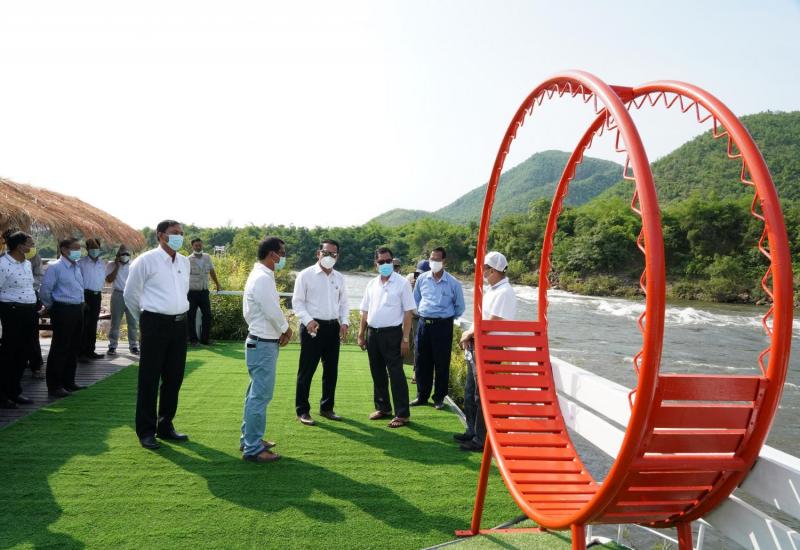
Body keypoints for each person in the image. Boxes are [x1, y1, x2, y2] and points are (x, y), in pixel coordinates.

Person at [124, 220, 191, 450]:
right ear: (161, 235)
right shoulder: (145, 260)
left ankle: (165, 425)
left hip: (180, 324)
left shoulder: (184, 261)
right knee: (149, 379)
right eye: (174, 233)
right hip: (154, 323)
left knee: (174, 378)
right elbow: (130, 294)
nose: (179, 236)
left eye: (181, 233)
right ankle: (146, 431)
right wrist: (145, 320)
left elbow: (182, 292)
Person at [457, 251, 518, 452]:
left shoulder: (504, 292)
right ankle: (472, 431)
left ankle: (480, 439)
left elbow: (493, 322)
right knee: (470, 391)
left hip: (490, 347)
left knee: (480, 394)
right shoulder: (494, 289)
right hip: (480, 344)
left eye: (483, 268)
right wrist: (470, 334)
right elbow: (482, 319)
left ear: (493, 270)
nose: (480, 272)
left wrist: (468, 333)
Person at [241, 236, 292, 463]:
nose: (283, 257)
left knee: (254, 395)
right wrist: (286, 329)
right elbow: (272, 310)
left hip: (259, 340)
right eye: (282, 253)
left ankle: (249, 439)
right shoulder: (262, 278)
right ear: (273, 254)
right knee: (260, 397)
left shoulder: (260, 275)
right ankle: (252, 448)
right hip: (263, 342)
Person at [292, 239, 349, 426]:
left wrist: (345, 322)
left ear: (337, 256)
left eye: (333, 254)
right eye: (325, 253)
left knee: (331, 371)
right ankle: (302, 410)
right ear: (318, 253)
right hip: (312, 327)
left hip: (333, 328)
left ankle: (327, 408)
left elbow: (344, 303)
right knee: (307, 370)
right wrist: (308, 320)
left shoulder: (339, 277)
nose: (329, 256)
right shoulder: (305, 275)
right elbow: (297, 302)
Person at [357, 247, 416, 428]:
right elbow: (364, 311)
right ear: (376, 264)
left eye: (388, 261)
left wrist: (405, 339)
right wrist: (361, 334)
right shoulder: (371, 284)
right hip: (373, 333)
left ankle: (402, 414)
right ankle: (383, 408)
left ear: (392, 261)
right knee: (377, 372)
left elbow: (408, 313)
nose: (385, 264)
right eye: (381, 261)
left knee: (396, 374)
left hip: (393, 334)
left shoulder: (402, 283)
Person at [411, 247, 465, 409]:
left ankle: (439, 398)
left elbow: (460, 307)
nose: (433, 262)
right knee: (422, 361)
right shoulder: (422, 279)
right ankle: (422, 396)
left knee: (441, 363)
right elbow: (415, 299)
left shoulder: (453, 283)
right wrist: (424, 313)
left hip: (443, 326)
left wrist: (445, 319)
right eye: (431, 259)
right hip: (424, 324)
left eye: (437, 259)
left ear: (444, 262)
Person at [40, 238, 86, 397]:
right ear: (64, 250)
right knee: (60, 347)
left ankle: (69, 381)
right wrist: (52, 307)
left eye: (79, 248)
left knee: (73, 347)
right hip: (63, 309)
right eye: (75, 248)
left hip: (77, 308)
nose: (78, 251)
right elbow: (45, 290)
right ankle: (55, 385)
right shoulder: (55, 267)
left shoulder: (77, 266)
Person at [0, 231, 38, 408]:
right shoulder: (2, 264)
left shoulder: (27, 263)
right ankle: (3, 395)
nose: (32, 247)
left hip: (29, 310)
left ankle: (15, 391)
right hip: (12, 310)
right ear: (19, 246)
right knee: (10, 353)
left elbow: (29, 285)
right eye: (30, 244)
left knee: (24, 352)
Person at [105, 245, 139, 355]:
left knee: (132, 323)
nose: (125, 256)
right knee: (115, 323)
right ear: (118, 255)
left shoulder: (134, 265)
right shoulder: (111, 265)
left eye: (127, 254)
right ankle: (112, 346)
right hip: (118, 294)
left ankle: (133, 346)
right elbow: (109, 280)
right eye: (122, 253)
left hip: (131, 295)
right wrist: (116, 266)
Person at [187, 238, 221, 346]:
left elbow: (212, 271)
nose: (198, 247)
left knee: (207, 315)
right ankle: (193, 340)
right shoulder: (188, 260)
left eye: (200, 245)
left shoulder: (207, 257)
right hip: (191, 292)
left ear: (202, 245)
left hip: (204, 292)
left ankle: (205, 339)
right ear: (192, 246)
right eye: (196, 245)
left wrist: (217, 283)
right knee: (190, 317)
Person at [78, 238, 107, 361]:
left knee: (93, 324)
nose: (94, 250)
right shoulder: (81, 263)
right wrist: (82, 299)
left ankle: (90, 351)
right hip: (85, 295)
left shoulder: (102, 263)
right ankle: (81, 353)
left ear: (99, 248)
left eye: (96, 247)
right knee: (84, 324)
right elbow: (77, 282)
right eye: (91, 247)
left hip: (97, 296)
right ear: (87, 248)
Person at [404, 260, 431, 384]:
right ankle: (396, 368)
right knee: (403, 340)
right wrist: (411, 286)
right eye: (418, 273)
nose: (419, 276)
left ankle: (416, 372)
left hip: (421, 317)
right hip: (408, 314)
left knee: (418, 345)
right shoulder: (409, 278)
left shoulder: (432, 282)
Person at [27, 249, 45, 379]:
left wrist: (28, 285)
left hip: (32, 296)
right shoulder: (5, 259)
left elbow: (39, 276)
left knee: (32, 333)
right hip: (10, 302)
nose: (31, 247)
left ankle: (36, 365)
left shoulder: (35, 256)